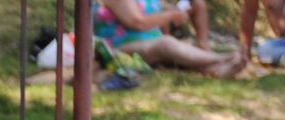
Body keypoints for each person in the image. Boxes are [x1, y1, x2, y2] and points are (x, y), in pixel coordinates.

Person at [94, 0, 247, 74]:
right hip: (118, 48)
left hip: (149, 44)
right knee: (166, 44)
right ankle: (222, 58)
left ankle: (217, 70)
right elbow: (138, 22)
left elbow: (162, 7)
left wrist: (178, 10)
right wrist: (171, 15)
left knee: (168, 46)